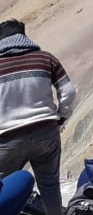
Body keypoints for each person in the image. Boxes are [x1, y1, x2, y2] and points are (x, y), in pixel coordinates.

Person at [0, 18, 77, 215]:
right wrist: (60, 117)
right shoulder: (45, 58)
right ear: (24, 36)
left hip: (7, 140)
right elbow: (68, 92)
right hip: (46, 133)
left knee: (3, 191)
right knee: (50, 185)